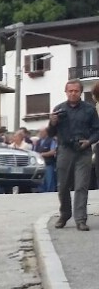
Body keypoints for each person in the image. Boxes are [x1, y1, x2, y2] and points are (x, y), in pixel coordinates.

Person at [48, 79, 99, 231]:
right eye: (70, 91)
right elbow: (50, 133)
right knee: (63, 186)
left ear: (81, 92)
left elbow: (97, 130)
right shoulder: (59, 109)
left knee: (81, 186)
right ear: (66, 92)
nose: (73, 93)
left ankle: (80, 219)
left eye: (76, 91)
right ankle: (65, 214)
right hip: (65, 150)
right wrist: (52, 123)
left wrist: (89, 141)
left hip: (83, 150)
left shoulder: (89, 110)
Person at [35, 126, 58, 193]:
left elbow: (53, 151)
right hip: (39, 165)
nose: (40, 134)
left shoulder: (51, 140)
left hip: (48, 164)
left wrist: (42, 154)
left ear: (46, 132)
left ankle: (50, 193)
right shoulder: (38, 142)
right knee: (41, 182)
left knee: (49, 181)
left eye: (41, 132)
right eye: (39, 132)